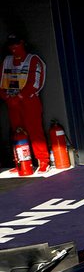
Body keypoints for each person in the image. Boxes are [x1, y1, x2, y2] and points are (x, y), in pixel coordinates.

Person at [0, 34, 49, 174]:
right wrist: (6, 97)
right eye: (11, 44)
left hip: (29, 101)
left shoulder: (33, 59)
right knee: (17, 132)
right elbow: (1, 81)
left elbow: (35, 82)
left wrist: (20, 96)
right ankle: (21, 163)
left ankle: (43, 161)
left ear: (22, 42)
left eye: (16, 43)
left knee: (35, 131)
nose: (13, 47)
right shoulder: (7, 61)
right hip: (12, 102)